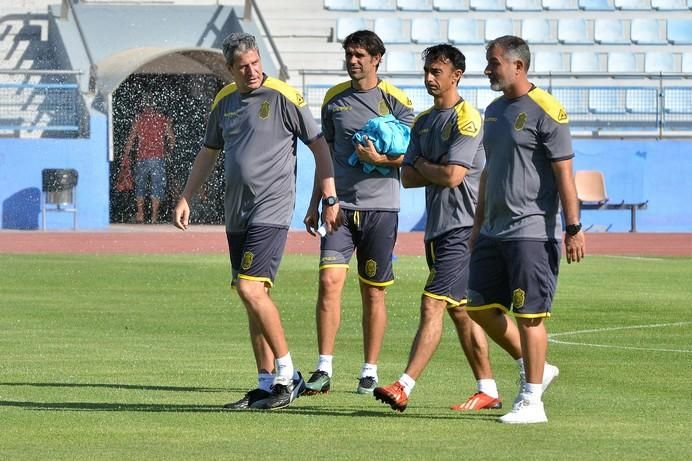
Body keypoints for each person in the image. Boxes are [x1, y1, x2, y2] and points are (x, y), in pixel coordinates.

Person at [173, 32, 341, 411]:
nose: (251, 71)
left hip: (271, 209)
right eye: (242, 67)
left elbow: (318, 145)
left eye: (255, 63)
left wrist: (329, 196)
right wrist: (186, 196)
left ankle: (288, 374)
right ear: (229, 69)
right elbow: (208, 151)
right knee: (253, 297)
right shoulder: (225, 101)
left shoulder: (283, 95)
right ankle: (265, 383)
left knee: (250, 289)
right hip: (237, 213)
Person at [373, 44, 507, 413]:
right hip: (438, 229)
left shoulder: (468, 119)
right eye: (427, 72)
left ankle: (403, 385)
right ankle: (489, 388)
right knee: (461, 312)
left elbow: (452, 176)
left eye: (437, 72)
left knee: (431, 303)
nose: (430, 79)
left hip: (464, 230)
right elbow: (409, 177)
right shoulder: (425, 121)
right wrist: (431, 167)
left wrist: (427, 165)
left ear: (456, 76)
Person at [465, 35, 586, 424]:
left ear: (518, 66)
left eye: (493, 62)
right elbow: (488, 173)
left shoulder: (547, 110)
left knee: (529, 315)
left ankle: (532, 400)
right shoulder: (494, 110)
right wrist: (477, 223)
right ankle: (536, 366)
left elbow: (564, 174)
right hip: (493, 230)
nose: (488, 69)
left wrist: (573, 227)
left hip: (532, 230)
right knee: (478, 307)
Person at [302, 30, 415, 395]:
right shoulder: (334, 100)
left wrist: (381, 159)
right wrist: (316, 203)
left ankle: (369, 372)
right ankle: (323, 368)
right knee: (329, 282)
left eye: (360, 55)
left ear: (377, 58)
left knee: (373, 292)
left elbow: (414, 158)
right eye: (349, 54)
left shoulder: (396, 100)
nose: (353, 60)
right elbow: (327, 158)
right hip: (340, 207)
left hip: (381, 208)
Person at [121, 95, 176, 224]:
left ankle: (140, 214)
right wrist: (168, 152)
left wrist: (125, 156)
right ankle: (154, 217)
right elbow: (172, 139)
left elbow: (131, 139)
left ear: (144, 106)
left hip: (142, 158)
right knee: (157, 187)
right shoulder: (163, 119)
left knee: (140, 186)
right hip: (158, 158)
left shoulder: (139, 119)